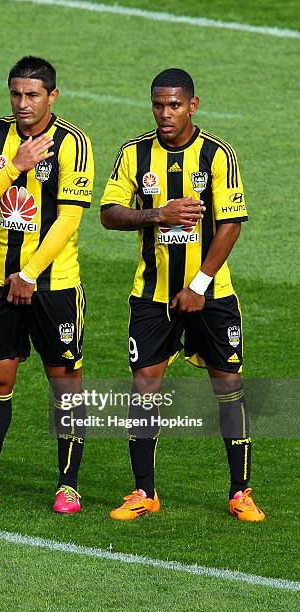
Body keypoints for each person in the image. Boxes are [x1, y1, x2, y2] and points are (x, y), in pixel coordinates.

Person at [100, 68, 265, 522]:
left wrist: (198, 284)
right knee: (144, 387)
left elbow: (230, 224)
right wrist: (158, 213)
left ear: (193, 105)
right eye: (158, 105)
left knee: (228, 387)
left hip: (210, 294)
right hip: (153, 296)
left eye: (174, 105)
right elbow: (109, 214)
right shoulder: (134, 154)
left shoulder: (217, 154)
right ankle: (143, 492)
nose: (165, 113)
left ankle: (241, 492)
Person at [0, 56, 94, 513]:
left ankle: (68, 485)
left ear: (52, 96)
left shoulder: (72, 142)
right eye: (15, 94)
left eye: (32, 95)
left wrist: (30, 274)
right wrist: (14, 167)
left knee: (64, 382)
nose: (22, 104)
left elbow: (69, 218)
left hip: (55, 284)